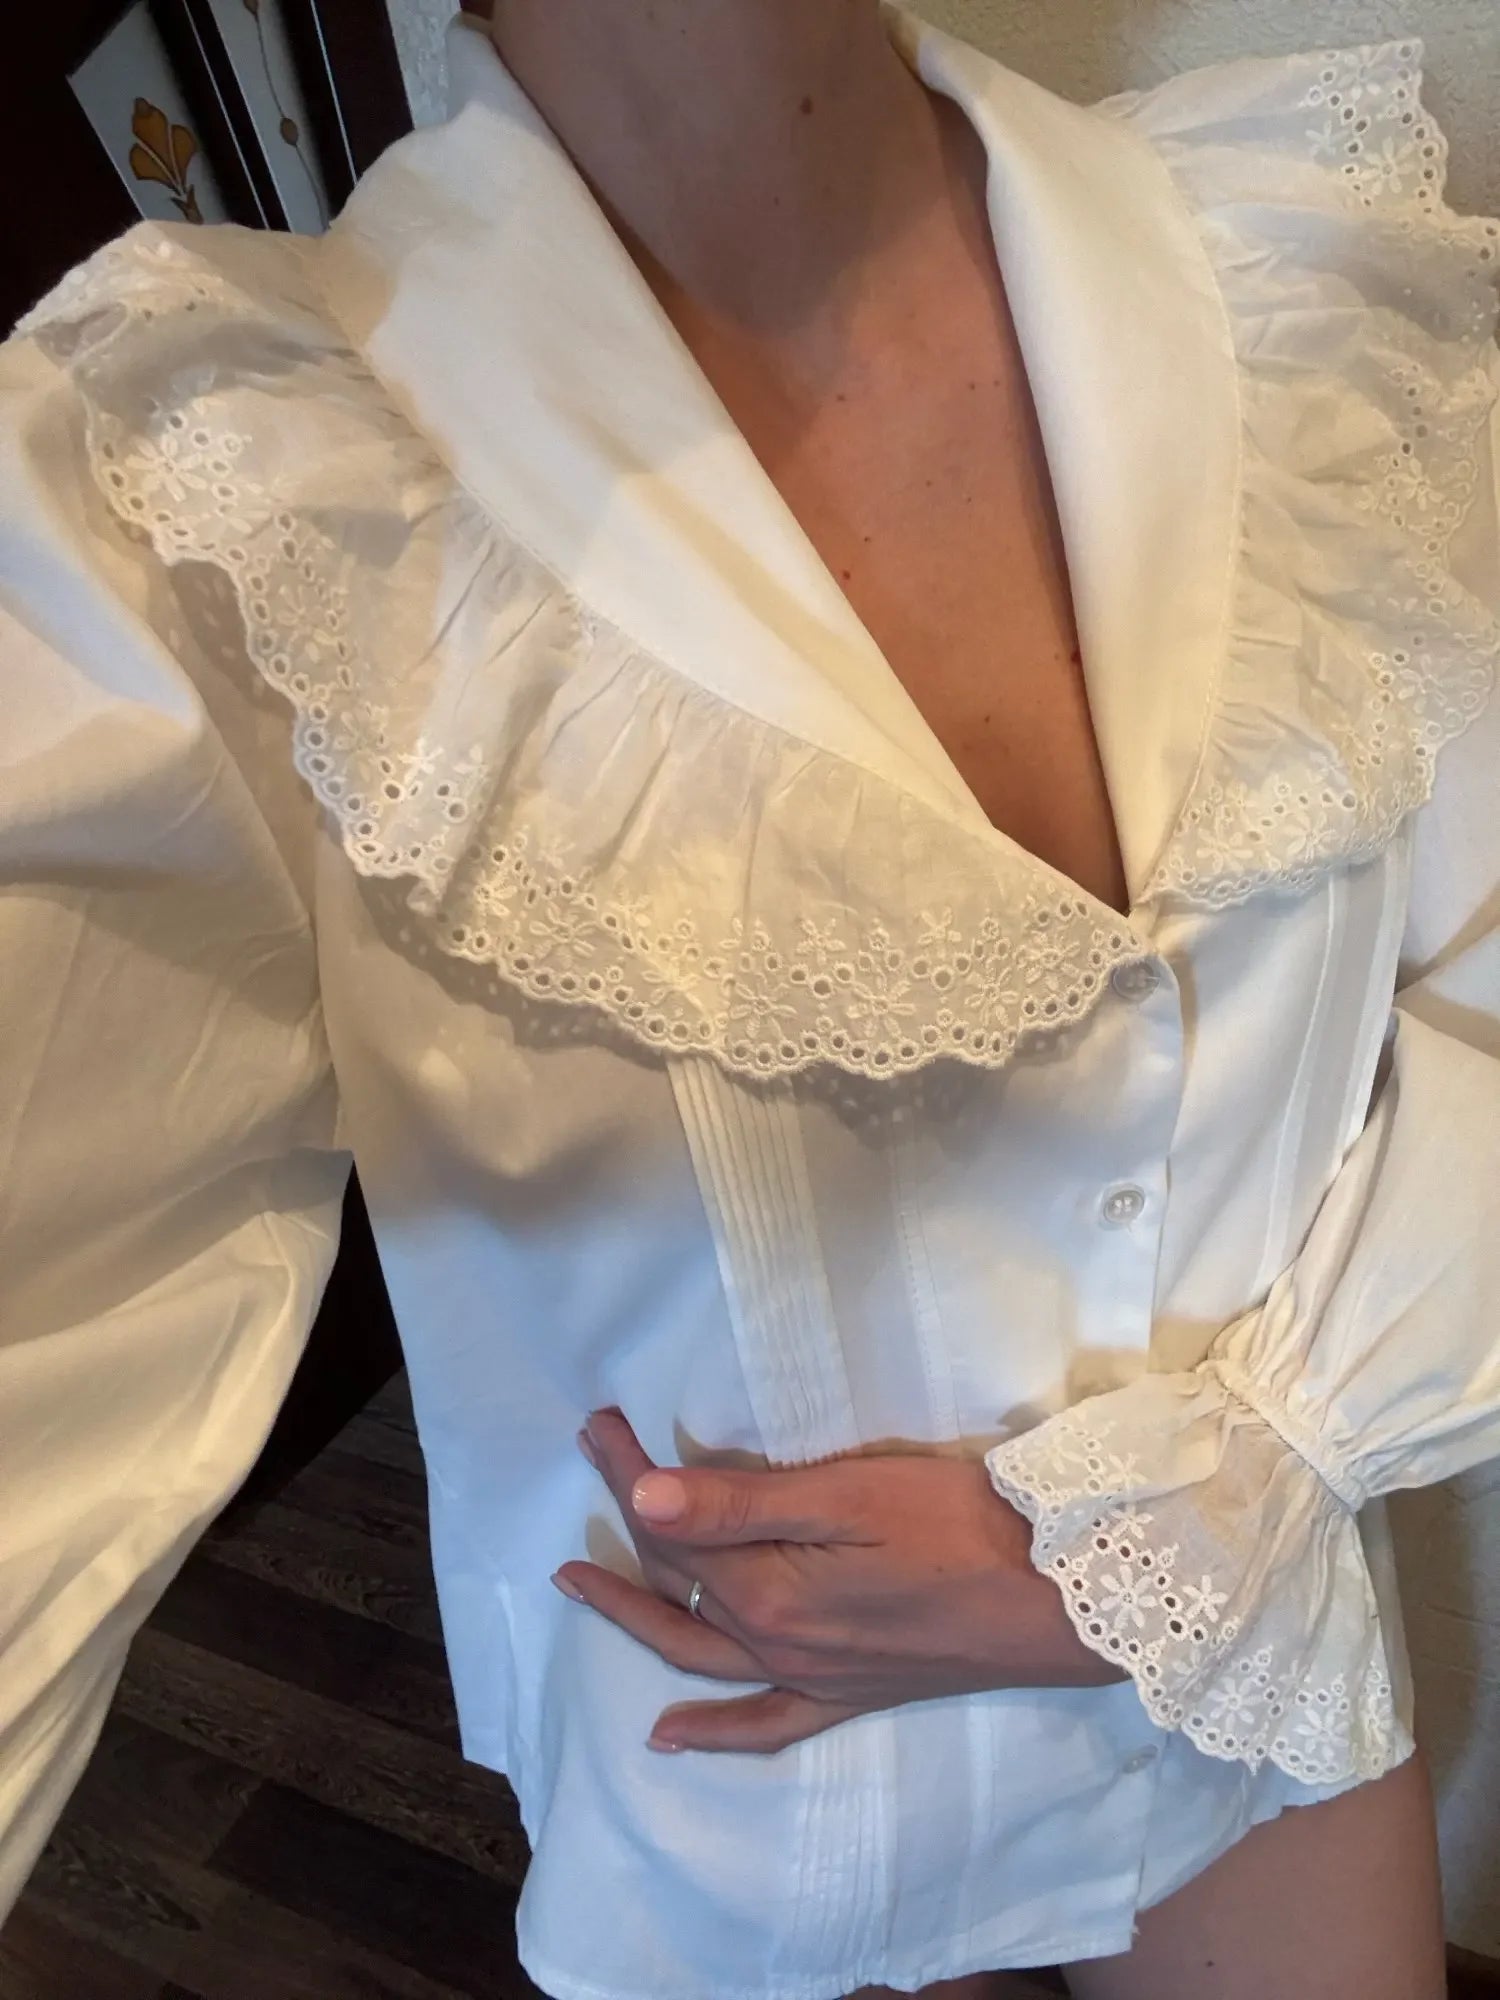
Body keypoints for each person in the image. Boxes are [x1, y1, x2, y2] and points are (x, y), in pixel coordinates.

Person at [2, 1, 1497, 1994]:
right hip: (756, 1813)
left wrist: (1170, 1541)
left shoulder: (1307, 289)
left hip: (1247, 1677)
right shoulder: (209, 514)